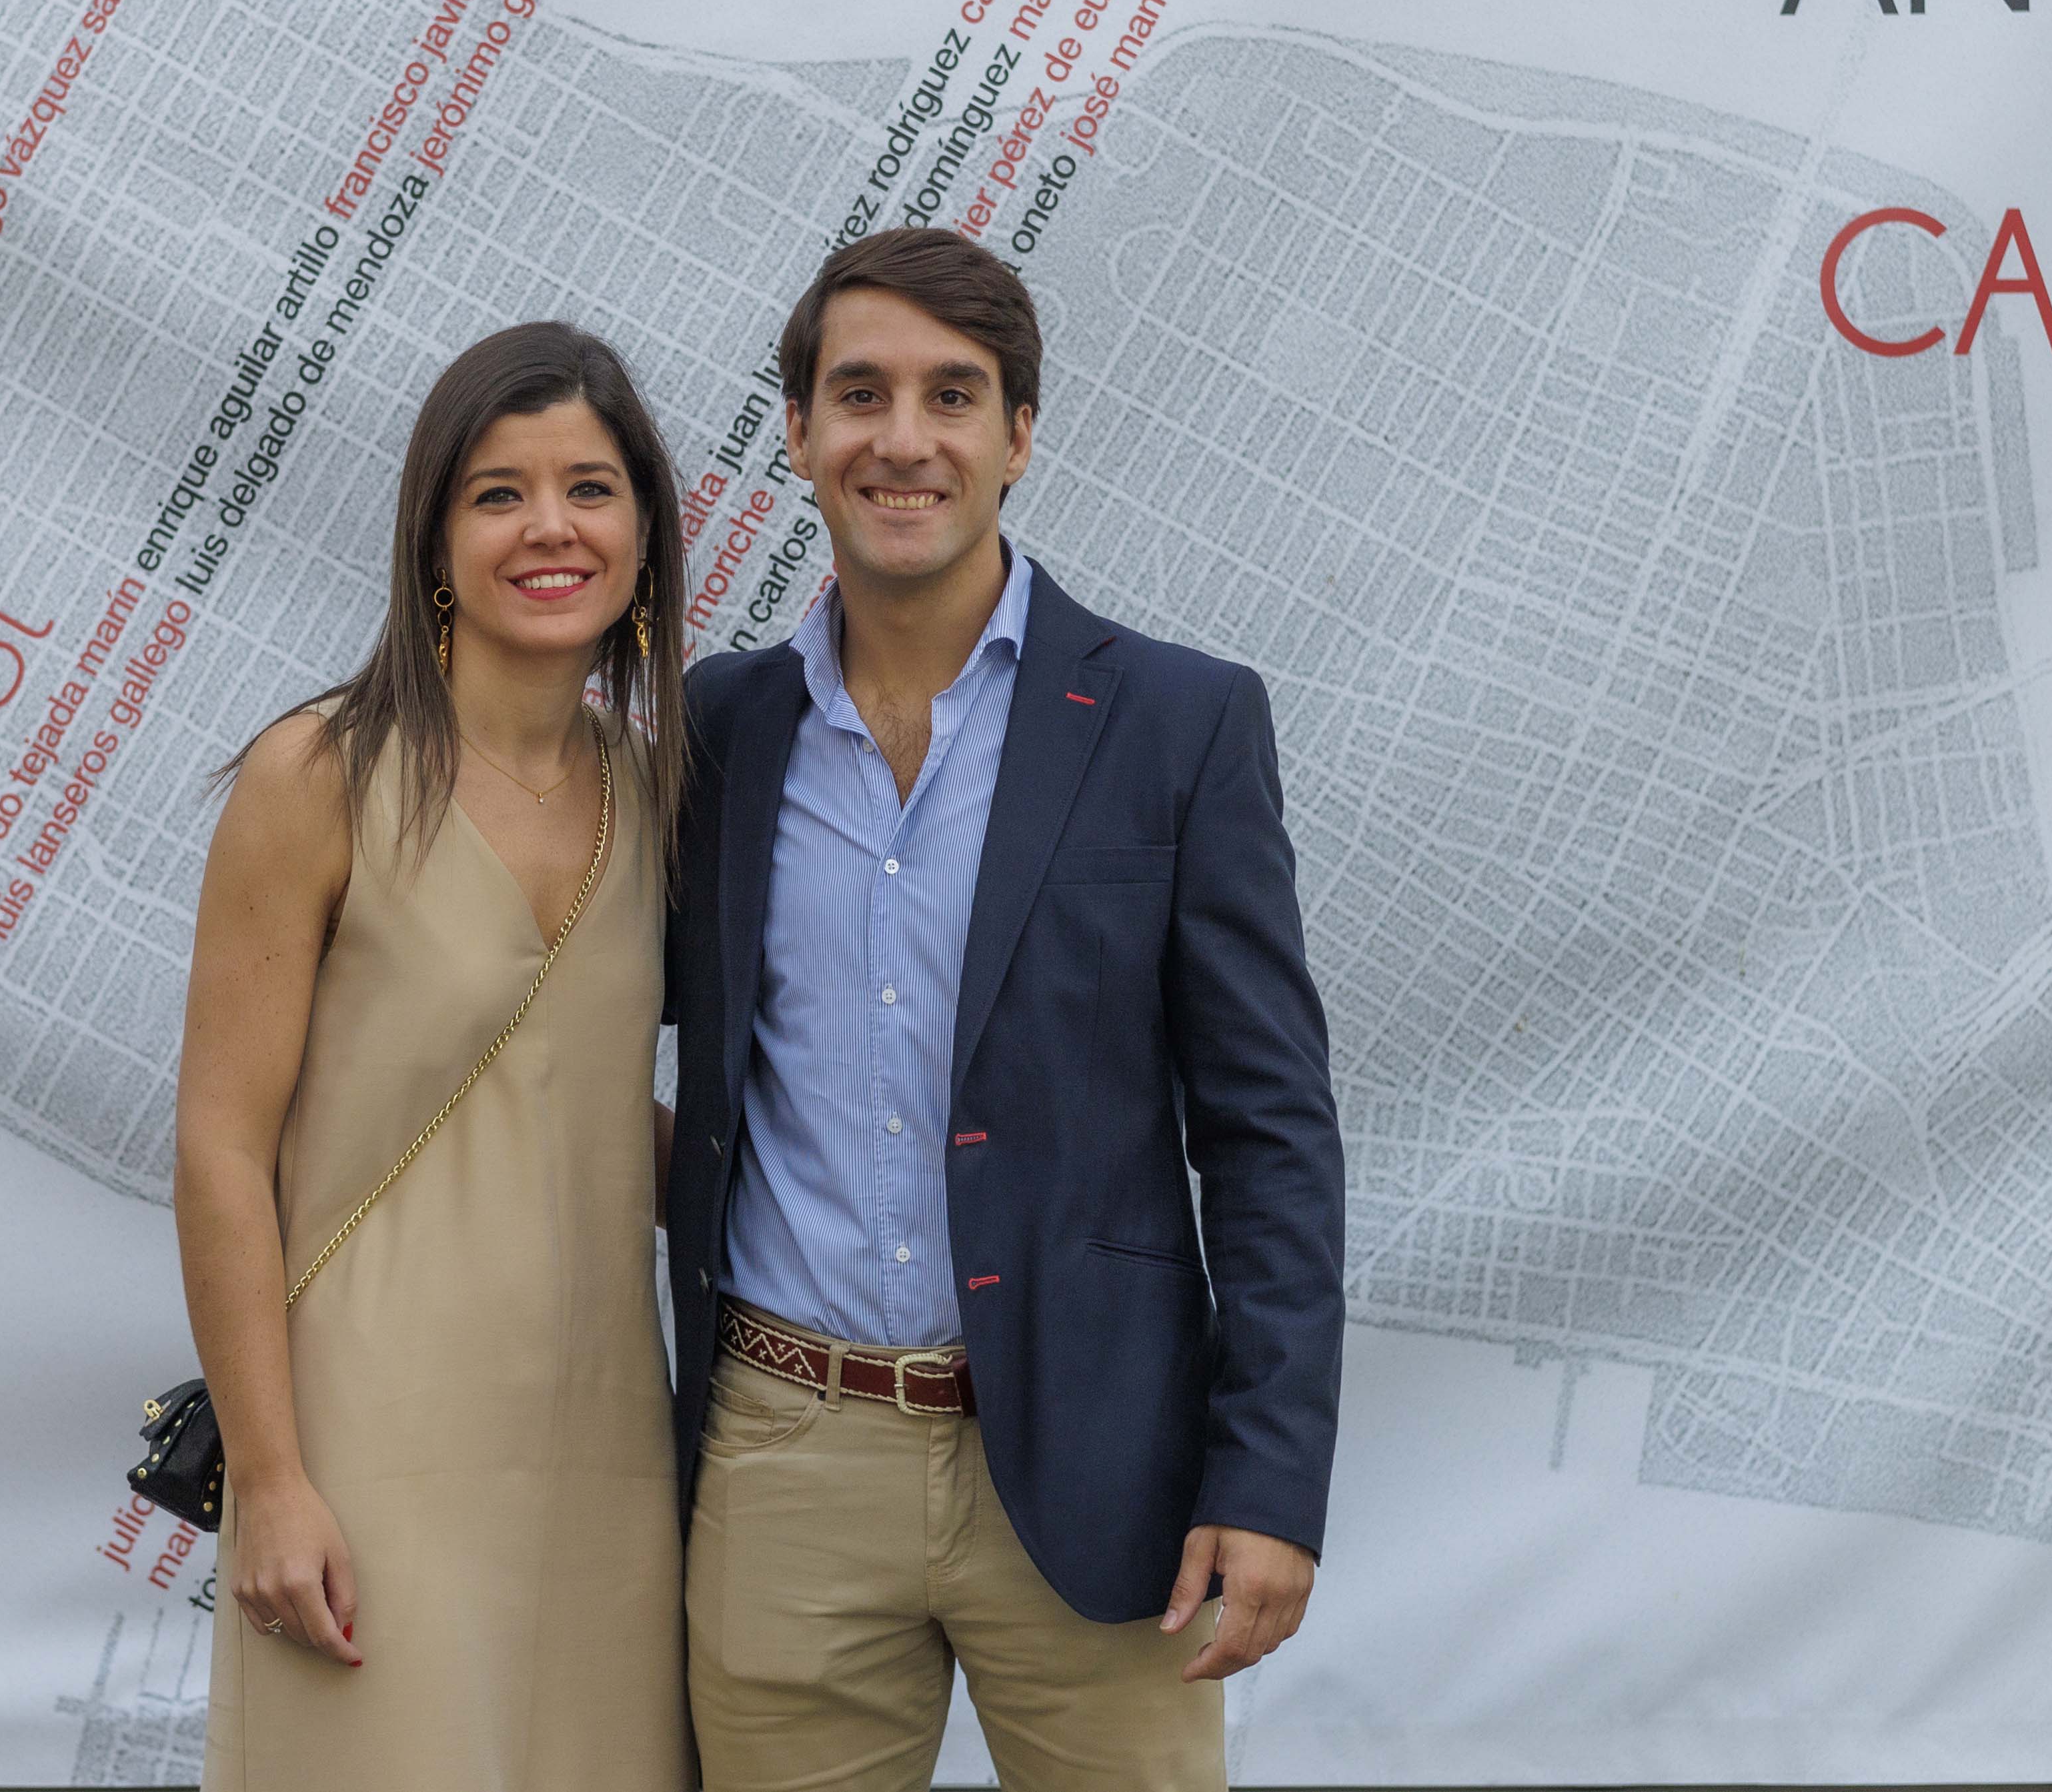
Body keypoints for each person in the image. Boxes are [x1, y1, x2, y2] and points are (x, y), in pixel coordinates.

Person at [664, 229, 1346, 1792]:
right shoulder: (719, 731)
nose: (902, 439)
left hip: (1101, 1461)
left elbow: (1268, 1138)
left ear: (1018, 435)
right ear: (797, 433)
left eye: (951, 396)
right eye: (859, 395)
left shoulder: (1176, 722)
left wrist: (1268, 1479)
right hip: (784, 1459)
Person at [177, 321, 694, 1791]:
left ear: (645, 531)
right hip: (365, 1436)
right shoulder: (319, 773)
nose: (550, 528)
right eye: (498, 493)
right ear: (434, 538)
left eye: (590, 489)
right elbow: (220, 1148)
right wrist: (271, 1478)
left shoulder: (658, 789)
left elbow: (591, 1108)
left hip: (607, 1443)